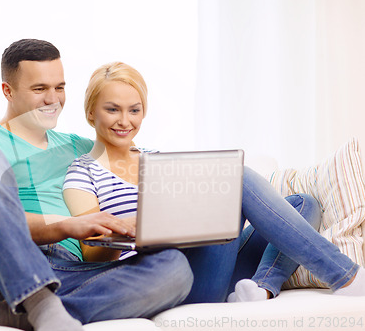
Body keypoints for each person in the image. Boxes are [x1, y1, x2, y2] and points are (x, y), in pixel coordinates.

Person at [61, 61, 365, 304]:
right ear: (91, 112)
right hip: (170, 279)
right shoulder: (82, 173)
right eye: (112, 109)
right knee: (239, 179)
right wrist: (130, 228)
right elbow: (92, 254)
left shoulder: (158, 160)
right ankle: (344, 275)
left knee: (304, 203)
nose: (124, 120)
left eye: (134, 110)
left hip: (217, 268)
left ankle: (260, 289)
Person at [0, 39, 194, 331]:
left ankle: (17, 315)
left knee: (174, 268)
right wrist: (66, 226)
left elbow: (131, 151)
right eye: (40, 89)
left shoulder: (79, 147)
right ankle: (38, 303)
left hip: (70, 270)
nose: (53, 100)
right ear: (8, 91)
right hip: (1, 269)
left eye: (59, 87)